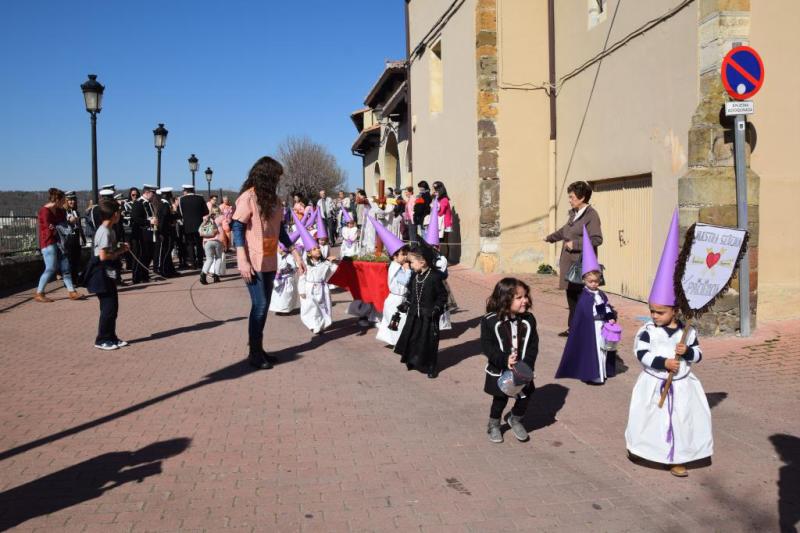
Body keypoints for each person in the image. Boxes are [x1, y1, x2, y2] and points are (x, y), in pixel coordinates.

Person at [625, 210, 712, 478]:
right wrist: (664, 362)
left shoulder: (687, 331)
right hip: (654, 385)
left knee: (682, 421)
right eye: (652, 310)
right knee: (651, 420)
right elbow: (641, 354)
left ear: (675, 310)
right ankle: (642, 449)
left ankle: (679, 457)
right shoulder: (648, 331)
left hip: (682, 387)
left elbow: (698, 354)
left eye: (660, 312)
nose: (654, 315)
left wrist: (687, 355)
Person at [233, 157, 305, 369]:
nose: (278, 180)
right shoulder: (248, 198)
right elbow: (237, 226)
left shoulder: (274, 200)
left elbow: (280, 230)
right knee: (260, 304)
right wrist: (242, 259)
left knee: (263, 307)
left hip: (270, 260)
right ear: (266, 175)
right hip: (252, 260)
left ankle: (259, 348)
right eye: (276, 176)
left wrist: (295, 252)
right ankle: (254, 353)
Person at [555, 227, 618, 385]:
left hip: (601, 326)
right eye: (591, 281)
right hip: (591, 328)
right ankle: (592, 375)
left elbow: (606, 306)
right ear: (584, 280)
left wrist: (610, 317)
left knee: (602, 350)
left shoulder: (601, 294)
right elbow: (583, 314)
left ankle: (601, 373)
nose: (594, 284)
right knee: (592, 351)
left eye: (596, 281)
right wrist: (598, 314)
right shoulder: (584, 297)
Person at [482, 278, 538, 443]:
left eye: (525, 296)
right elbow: (486, 346)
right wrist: (503, 359)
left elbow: (533, 345)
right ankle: (493, 424)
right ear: (505, 300)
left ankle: (515, 419)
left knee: (526, 396)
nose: (525, 300)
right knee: (500, 398)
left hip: (522, 369)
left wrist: (527, 366)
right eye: (519, 298)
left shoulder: (529, 319)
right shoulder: (489, 321)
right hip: (500, 369)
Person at [545, 181, 602, 337]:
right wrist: (550, 238)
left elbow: (597, 239)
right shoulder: (574, 214)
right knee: (571, 298)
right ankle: (573, 328)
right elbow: (565, 231)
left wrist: (575, 244)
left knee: (580, 299)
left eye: (572, 197)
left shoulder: (591, 215)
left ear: (582, 197)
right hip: (570, 265)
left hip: (581, 265)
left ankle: (582, 330)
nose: (569, 200)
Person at [393, 243, 448, 379]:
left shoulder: (434, 277)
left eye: (412, 262)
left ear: (422, 262)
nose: (410, 265)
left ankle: (431, 366)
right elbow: (411, 292)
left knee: (429, 342)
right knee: (412, 338)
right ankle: (412, 360)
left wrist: (436, 308)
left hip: (429, 316)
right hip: (414, 315)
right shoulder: (415, 276)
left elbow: (442, 296)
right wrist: (407, 303)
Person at [83, 199, 129, 351]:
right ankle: (101, 339)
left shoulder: (111, 230)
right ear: (115, 214)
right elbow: (103, 256)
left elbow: (109, 249)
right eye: (119, 212)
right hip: (100, 271)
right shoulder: (104, 231)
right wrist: (119, 251)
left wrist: (118, 247)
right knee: (108, 307)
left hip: (108, 271)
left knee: (113, 306)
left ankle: (111, 336)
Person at [35, 188, 82, 302]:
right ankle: (39, 293)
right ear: (57, 200)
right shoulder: (44, 211)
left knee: (66, 268)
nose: (64, 203)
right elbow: (48, 229)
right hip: (48, 243)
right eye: (63, 201)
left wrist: (68, 222)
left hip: (60, 242)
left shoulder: (60, 211)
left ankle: (72, 291)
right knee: (51, 268)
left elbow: (60, 225)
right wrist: (58, 227)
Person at [423, 203, 455, 330]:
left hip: (437, 284)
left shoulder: (441, 259)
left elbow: (444, 274)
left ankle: (438, 325)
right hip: (427, 284)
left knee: (438, 305)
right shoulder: (425, 257)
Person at [375, 232, 411, 347]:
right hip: (396, 299)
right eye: (402, 254)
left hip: (399, 298)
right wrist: (408, 270)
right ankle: (398, 343)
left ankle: (398, 342)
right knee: (398, 321)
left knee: (397, 321)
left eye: (406, 254)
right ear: (395, 256)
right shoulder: (397, 268)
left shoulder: (397, 266)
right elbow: (405, 281)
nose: (405, 257)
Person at [130, 185, 159, 284]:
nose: (154, 195)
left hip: (149, 232)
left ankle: (144, 275)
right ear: (147, 193)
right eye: (153, 193)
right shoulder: (138, 203)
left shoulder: (149, 203)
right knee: (140, 255)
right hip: (141, 234)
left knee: (148, 255)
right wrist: (149, 222)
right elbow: (135, 218)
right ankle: (137, 277)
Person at [178, 184, 209, 269]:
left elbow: (180, 213)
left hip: (187, 225)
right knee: (199, 244)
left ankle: (193, 262)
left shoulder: (181, 199)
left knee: (189, 244)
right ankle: (200, 262)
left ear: (185, 190)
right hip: (199, 225)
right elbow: (206, 212)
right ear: (193, 190)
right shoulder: (200, 198)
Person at [270, 244, 300, 314]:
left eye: (283, 249)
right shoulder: (276, 255)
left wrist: (283, 271)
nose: (281, 250)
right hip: (278, 279)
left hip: (287, 279)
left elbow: (293, 267)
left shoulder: (289, 257)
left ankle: (286, 309)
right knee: (278, 295)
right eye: (279, 248)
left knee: (287, 295)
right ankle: (278, 309)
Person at [64, 191, 86, 286]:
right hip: (68, 238)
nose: (72, 202)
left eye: (73, 199)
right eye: (70, 200)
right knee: (70, 260)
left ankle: (75, 279)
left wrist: (83, 238)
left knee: (76, 259)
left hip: (76, 237)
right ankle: (69, 281)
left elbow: (79, 226)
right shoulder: (63, 212)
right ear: (66, 201)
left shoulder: (76, 211)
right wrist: (69, 221)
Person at [155, 188, 178, 278]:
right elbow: (164, 219)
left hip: (166, 231)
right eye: (170, 195)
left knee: (167, 252)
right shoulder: (165, 205)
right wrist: (161, 232)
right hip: (166, 232)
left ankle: (169, 270)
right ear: (167, 195)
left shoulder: (163, 204)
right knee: (166, 252)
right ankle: (164, 270)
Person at [200, 209, 226, 285]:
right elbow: (226, 228)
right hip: (217, 241)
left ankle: (203, 274)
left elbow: (199, 230)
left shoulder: (205, 219)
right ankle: (216, 277)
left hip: (207, 242)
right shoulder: (221, 218)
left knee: (209, 259)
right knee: (218, 258)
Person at [432, 181, 452, 260]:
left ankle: (444, 259)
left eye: (435, 190)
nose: (434, 192)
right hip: (439, 224)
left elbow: (440, 212)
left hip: (444, 225)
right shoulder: (438, 199)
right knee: (438, 242)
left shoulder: (444, 200)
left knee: (443, 242)